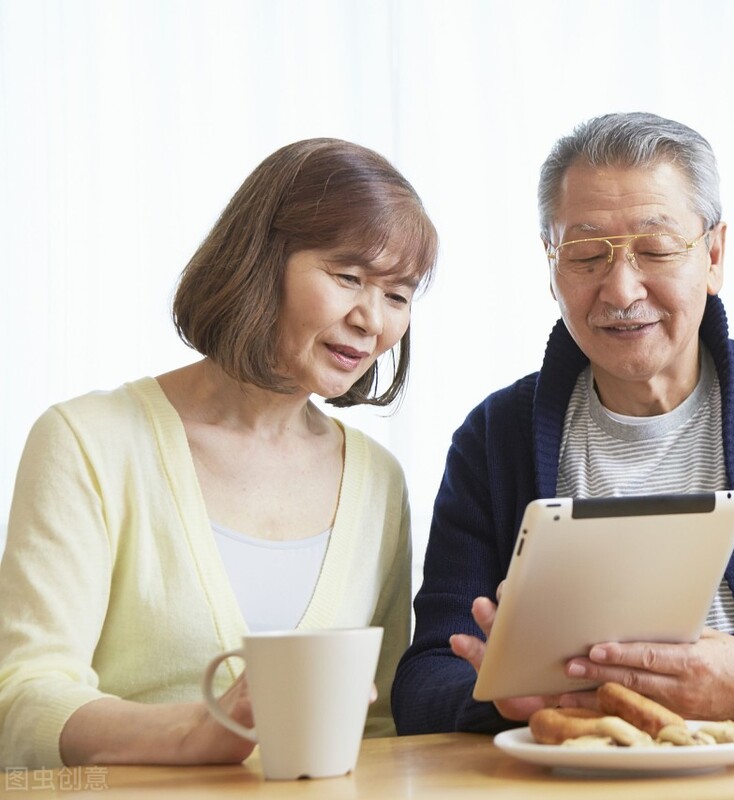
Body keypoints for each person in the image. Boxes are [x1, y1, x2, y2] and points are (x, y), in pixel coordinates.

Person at [390, 112, 734, 736]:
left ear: (713, 256)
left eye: (654, 249)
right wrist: (498, 695)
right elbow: (424, 683)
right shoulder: (495, 438)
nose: (621, 288)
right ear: (551, 267)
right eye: (584, 254)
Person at [0, 138, 437, 768]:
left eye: (398, 294)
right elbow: (21, 701)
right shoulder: (86, 441)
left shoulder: (376, 480)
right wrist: (195, 733)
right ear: (263, 262)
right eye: (348, 277)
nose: (372, 319)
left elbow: (379, 727)